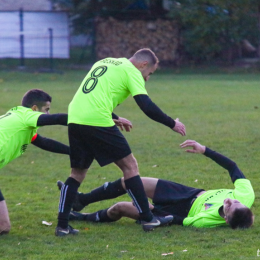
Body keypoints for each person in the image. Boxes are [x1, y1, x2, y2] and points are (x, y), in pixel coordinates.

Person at [56, 48, 186, 236]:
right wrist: (172, 123)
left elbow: (94, 95)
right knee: (130, 166)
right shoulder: (131, 71)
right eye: (149, 73)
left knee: (76, 174)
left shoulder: (106, 62)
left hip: (75, 118)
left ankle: (62, 226)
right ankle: (149, 219)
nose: (147, 78)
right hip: (97, 120)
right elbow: (146, 105)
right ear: (143, 65)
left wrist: (115, 116)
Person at [58, 140, 255, 229]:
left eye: (229, 206)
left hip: (180, 211)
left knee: (119, 208)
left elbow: (178, 220)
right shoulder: (246, 195)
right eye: (235, 201)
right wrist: (205, 150)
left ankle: (81, 217)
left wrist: (154, 213)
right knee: (130, 181)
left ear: (227, 220)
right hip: (187, 192)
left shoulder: (206, 221)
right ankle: (81, 200)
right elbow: (232, 166)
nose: (230, 200)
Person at [0, 89, 71, 235]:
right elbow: (56, 119)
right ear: (34, 108)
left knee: (3, 227)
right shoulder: (26, 116)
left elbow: (43, 142)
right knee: (3, 227)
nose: (48, 114)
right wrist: (90, 121)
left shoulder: (22, 121)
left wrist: (72, 152)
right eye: (46, 110)